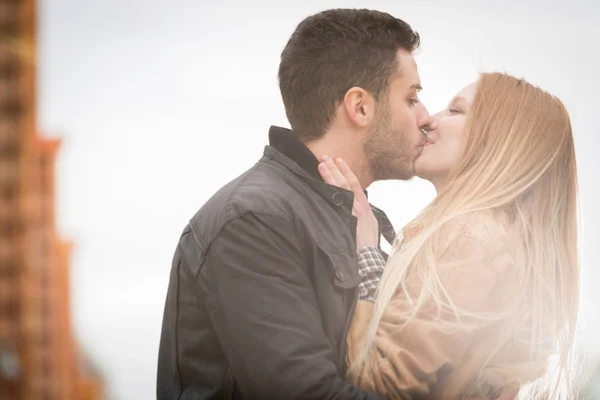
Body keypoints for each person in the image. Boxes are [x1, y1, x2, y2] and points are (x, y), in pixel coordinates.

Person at [156, 8, 435, 399]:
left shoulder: (350, 217)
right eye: (412, 98)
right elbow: (309, 393)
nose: (425, 116)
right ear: (360, 107)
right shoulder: (255, 219)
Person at [318, 72, 579, 400]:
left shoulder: (472, 237)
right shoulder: (486, 237)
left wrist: (366, 249)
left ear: (499, 138)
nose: (428, 120)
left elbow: (382, 382)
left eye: (456, 111)